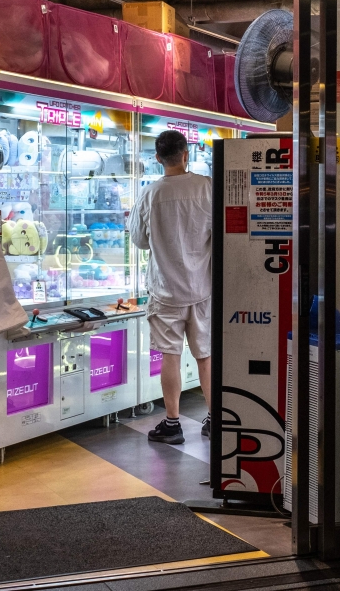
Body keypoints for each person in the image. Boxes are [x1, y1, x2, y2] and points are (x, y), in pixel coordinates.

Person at [128, 130, 212, 444]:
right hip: (201, 288)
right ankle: (215, 420)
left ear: (158, 158)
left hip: (165, 291)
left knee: (171, 356)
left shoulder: (150, 194)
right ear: (186, 153)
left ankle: (173, 424)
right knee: (205, 356)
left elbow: (138, 241)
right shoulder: (206, 187)